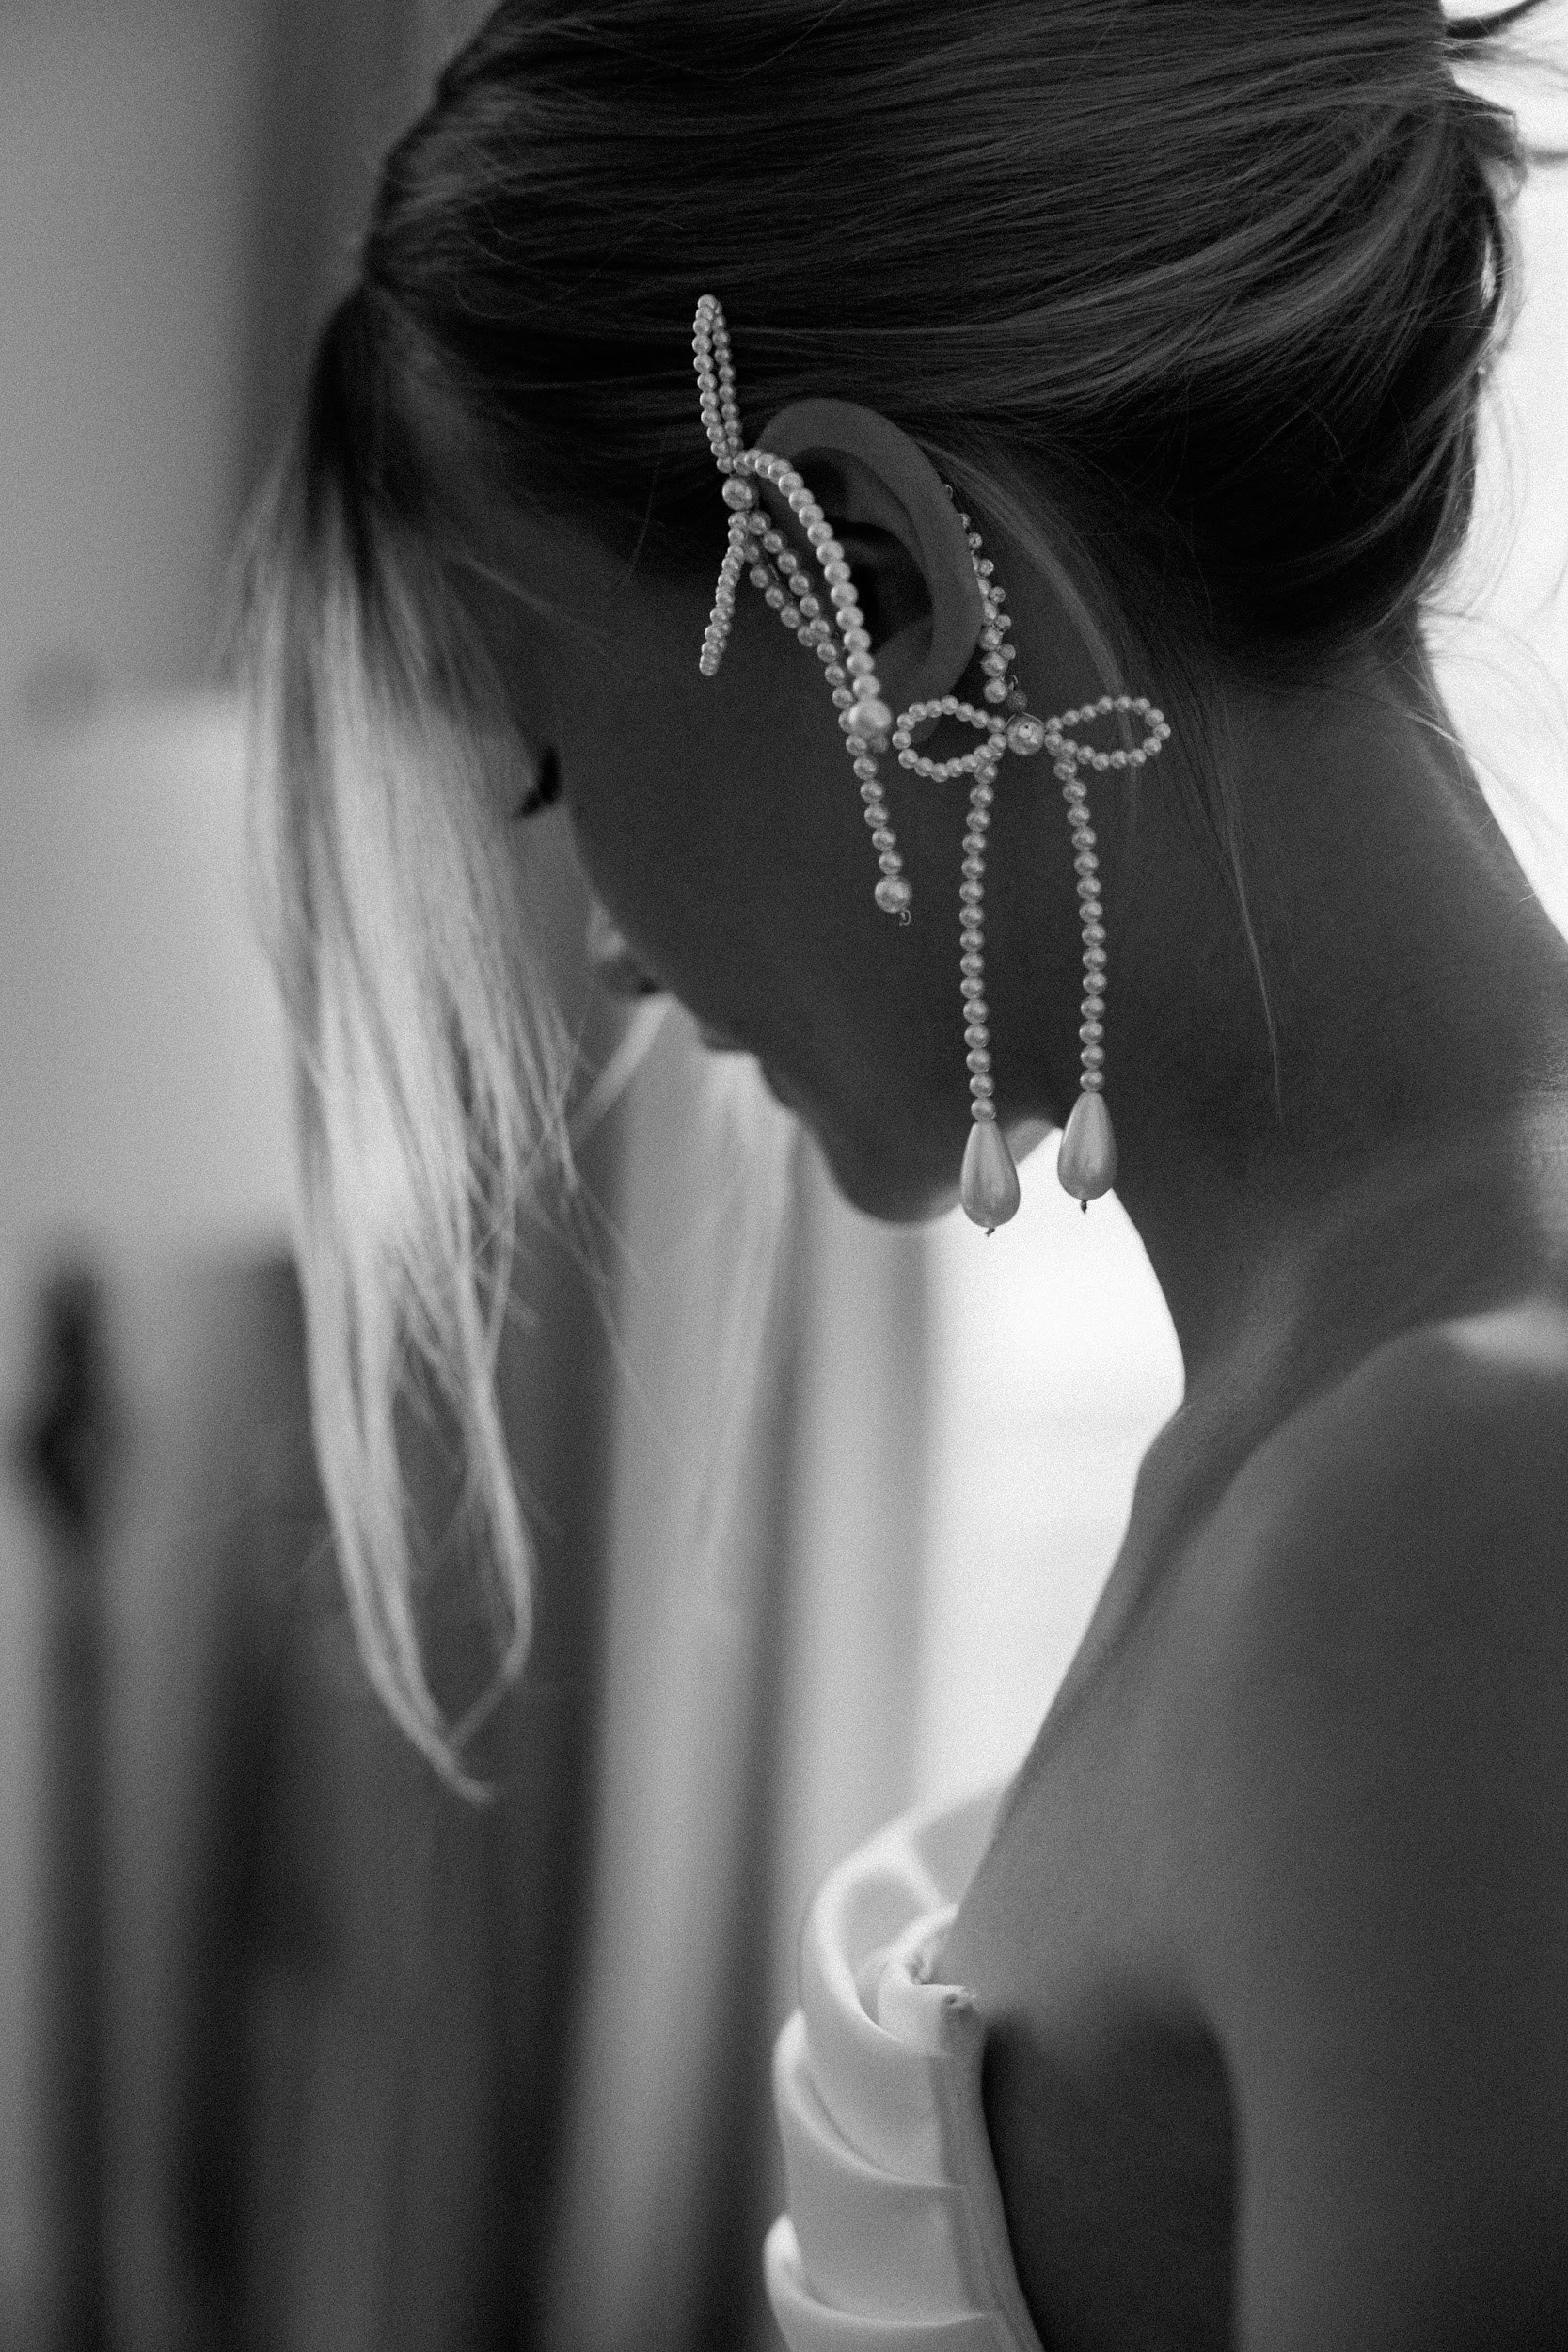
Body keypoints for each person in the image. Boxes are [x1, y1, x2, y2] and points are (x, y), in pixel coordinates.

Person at [236, 0, 1568, 2341]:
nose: (604, 953)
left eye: (549, 763)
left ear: (875, 572)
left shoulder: (1446, 1521)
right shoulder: (1359, 1438)